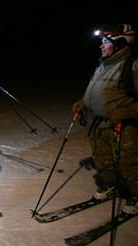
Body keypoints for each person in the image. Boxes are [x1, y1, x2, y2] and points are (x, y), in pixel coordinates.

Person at [72, 23, 138, 215]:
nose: (101, 46)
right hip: (101, 123)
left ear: (120, 43)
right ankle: (110, 186)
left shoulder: (131, 66)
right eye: (101, 41)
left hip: (125, 126)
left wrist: (126, 113)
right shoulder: (103, 64)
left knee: (129, 163)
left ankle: (136, 194)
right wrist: (84, 102)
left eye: (105, 42)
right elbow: (99, 91)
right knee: (103, 159)